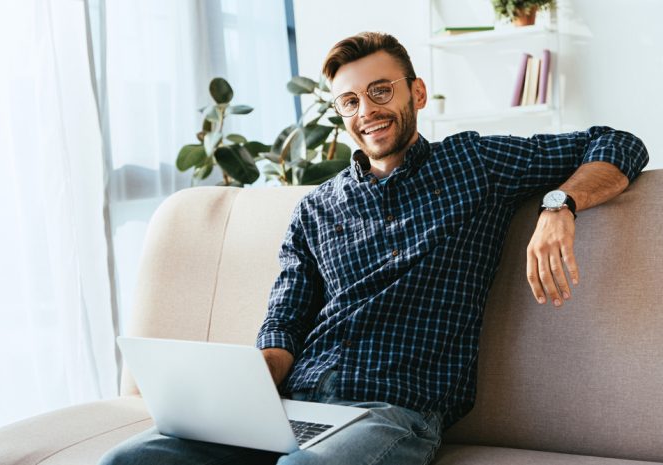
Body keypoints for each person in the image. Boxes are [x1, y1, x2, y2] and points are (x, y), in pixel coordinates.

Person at [100, 32, 648, 465]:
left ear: (416, 93)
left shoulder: (475, 165)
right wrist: (250, 383)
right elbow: (284, 322)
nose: (367, 111)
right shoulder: (316, 208)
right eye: (350, 101)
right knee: (128, 459)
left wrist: (558, 206)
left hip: (393, 411)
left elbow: (619, 143)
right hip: (292, 405)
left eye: (380, 91)